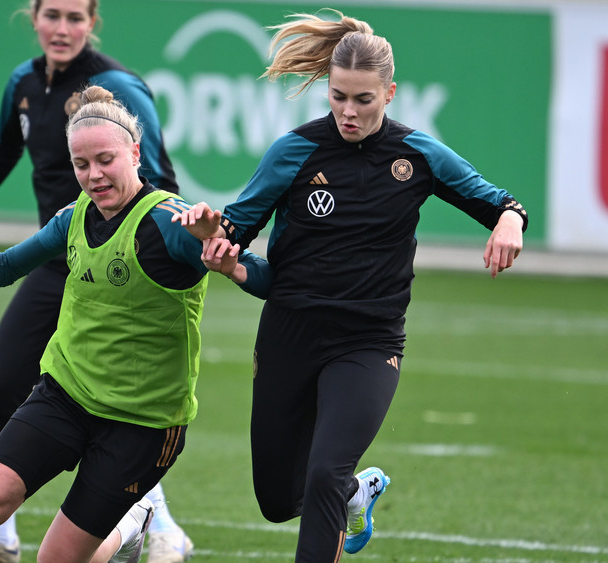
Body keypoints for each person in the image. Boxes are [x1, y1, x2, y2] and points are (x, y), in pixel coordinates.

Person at [173, 9, 528, 562]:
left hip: (369, 342)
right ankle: (355, 494)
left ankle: (340, 487)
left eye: (363, 99)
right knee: (275, 498)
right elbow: (235, 232)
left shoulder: (420, 155)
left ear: (389, 92)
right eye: (339, 96)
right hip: (290, 333)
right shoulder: (294, 151)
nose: (349, 111)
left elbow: (499, 201)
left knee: (323, 472)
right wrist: (211, 235)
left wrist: (509, 220)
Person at [0, 1, 192, 561]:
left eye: (76, 16)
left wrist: (171, 245)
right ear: (34, 17)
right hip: (60, 255)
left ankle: (151, 511)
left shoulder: (120, 86)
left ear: (92, 22)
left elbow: (159, 181)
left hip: (128, 263)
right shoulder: (23, 83)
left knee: (125, 402)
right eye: (53, 14)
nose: (63, 27)